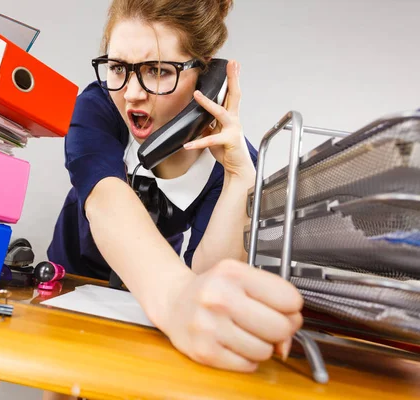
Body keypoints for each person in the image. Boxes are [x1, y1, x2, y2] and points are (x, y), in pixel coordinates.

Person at [46, 0, 303, 382]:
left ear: (206, 76)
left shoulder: (233, 161)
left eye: (158, 71)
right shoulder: (99, 105)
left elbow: (207, 279)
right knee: (65, 379)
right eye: (118, 68)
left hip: (159, 293)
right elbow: (105, 198)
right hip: (76, 280)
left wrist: (239, 178)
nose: (131, 93)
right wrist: (178, 298)